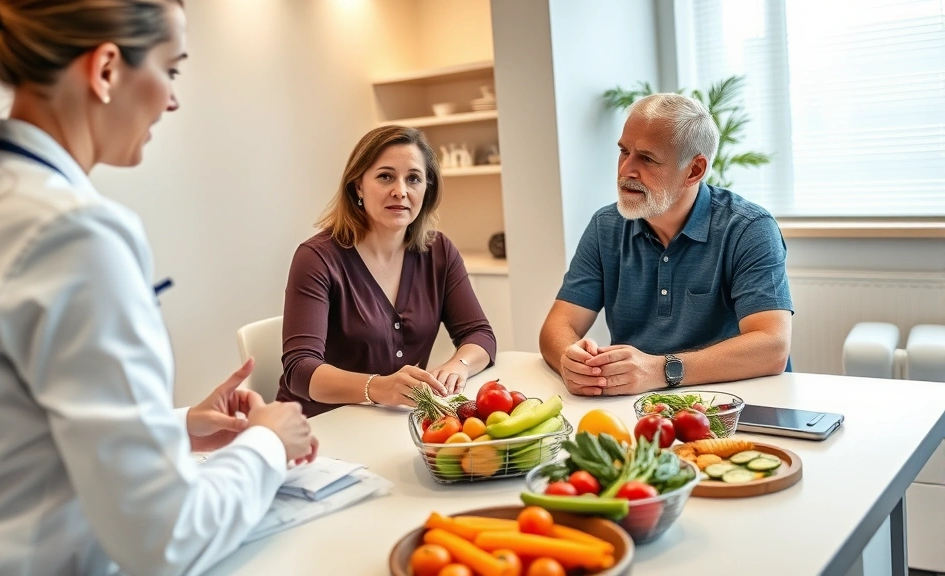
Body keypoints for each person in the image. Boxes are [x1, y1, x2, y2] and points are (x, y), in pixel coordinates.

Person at [0, 1, 317, 574]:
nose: (174, 99)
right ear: (106, 69)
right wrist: (268, 443)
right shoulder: (72, 234)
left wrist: (169, 426)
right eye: (171, 70)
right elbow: (167, 539)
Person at [539, 93, 793, 397]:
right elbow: (558, 323)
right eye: (623, 151)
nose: (625, 170)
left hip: (734, 402)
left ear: (695, 170)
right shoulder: (605, 225)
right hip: (638, 404)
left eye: (647, 158)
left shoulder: (749, 228)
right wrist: (570, 359)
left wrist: (660, 369)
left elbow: (772, 346)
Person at [277, 125, 497, 418]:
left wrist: (460, 364)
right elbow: (301, 370)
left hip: (390, 424)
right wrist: (379, 388)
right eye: (385, 176)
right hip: (317, 429)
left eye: (414, 179)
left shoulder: (439, 251)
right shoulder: (316, 258)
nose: (401, 191)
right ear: (358, 186)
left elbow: (479, 334)